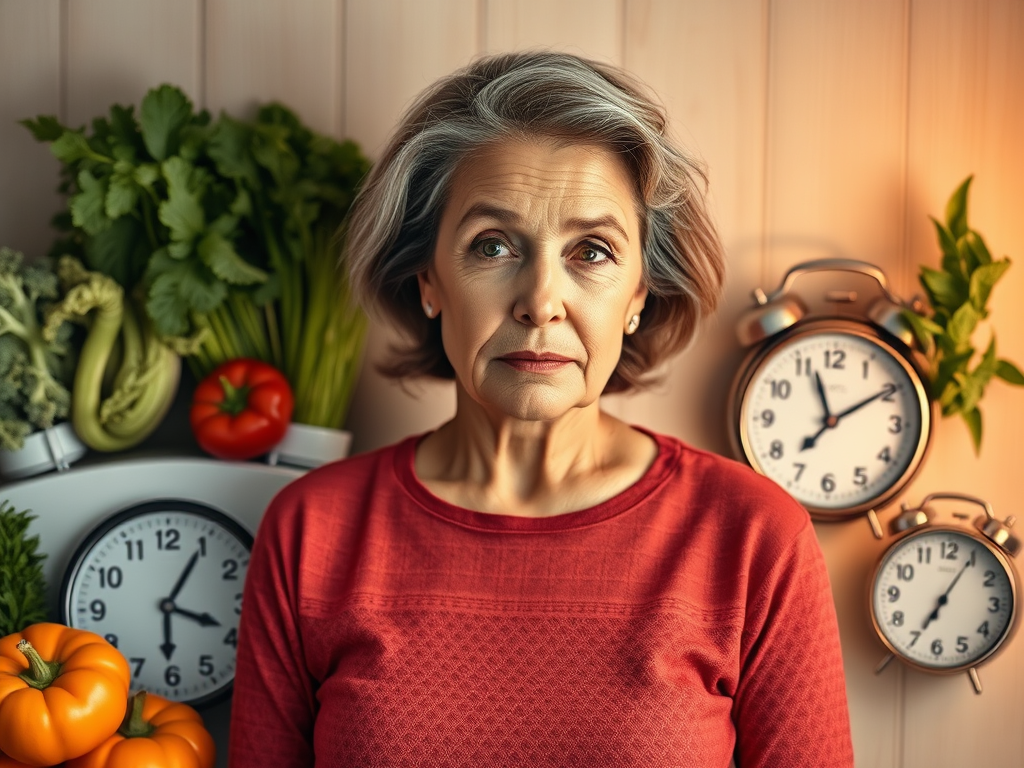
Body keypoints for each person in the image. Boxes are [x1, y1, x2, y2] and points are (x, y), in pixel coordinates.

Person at [228, 51, 854, 767]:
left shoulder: (752, 538)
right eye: (492, 246)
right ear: (430, 281)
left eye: (592, 252)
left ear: (640, 297)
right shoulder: (311, 534)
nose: (540, 302)